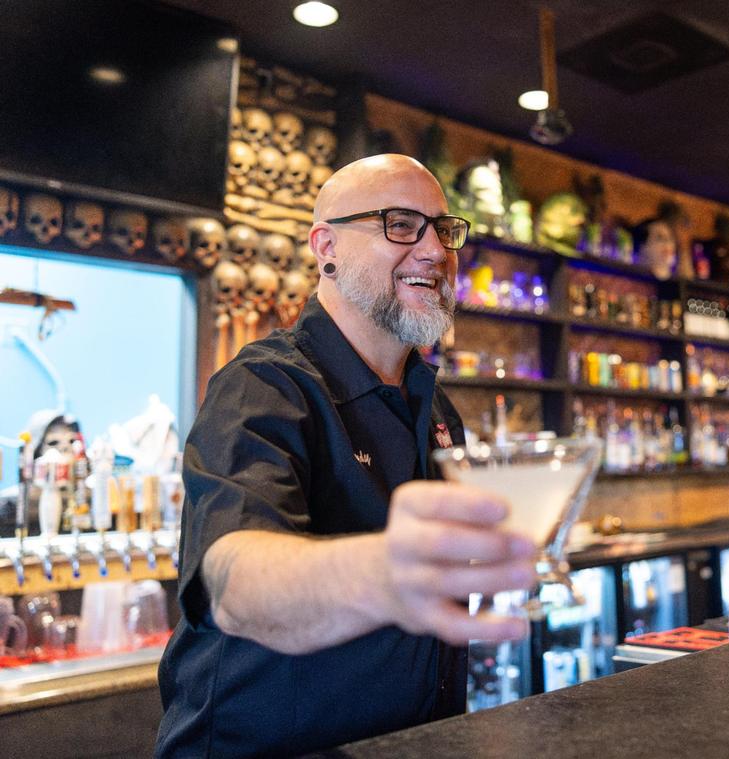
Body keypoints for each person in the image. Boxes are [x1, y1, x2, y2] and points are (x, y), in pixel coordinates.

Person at [156, 155, 538, 757]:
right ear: (326, 247)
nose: (435, 252)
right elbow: (232, 581)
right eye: (401, 224)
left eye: (444, 231)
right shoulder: (264, 385)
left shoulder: (436, 407)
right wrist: (384, 576)